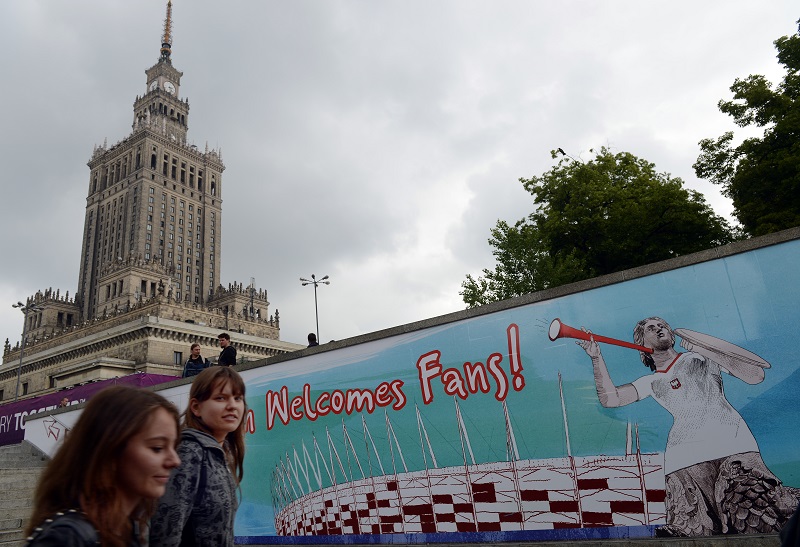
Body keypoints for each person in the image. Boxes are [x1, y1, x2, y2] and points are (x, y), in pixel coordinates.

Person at [577, 317, 798, 536]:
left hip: (734, 448)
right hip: (683, 463)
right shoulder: (651, 382)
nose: (659, 328)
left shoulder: (701, 357)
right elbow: (610, 398)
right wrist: (596, 357)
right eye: (651, 328)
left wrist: (707, 349)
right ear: (641, 346)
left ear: (673, 335)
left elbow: (755, 375)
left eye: (662, 325)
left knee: (757, 519)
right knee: (696, 532)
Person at [25, 386, 180, 546]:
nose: (175, 461)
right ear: (110, 449)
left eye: (174, 446)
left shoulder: (124, 528)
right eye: (157, 448)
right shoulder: (66, 538)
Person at [149, 366, 246, 546]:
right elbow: (165, 534)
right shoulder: (189, 453)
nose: (232, 405)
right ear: (196, 407)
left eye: (238, 398)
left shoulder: (219, 452)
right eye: (220, 398)